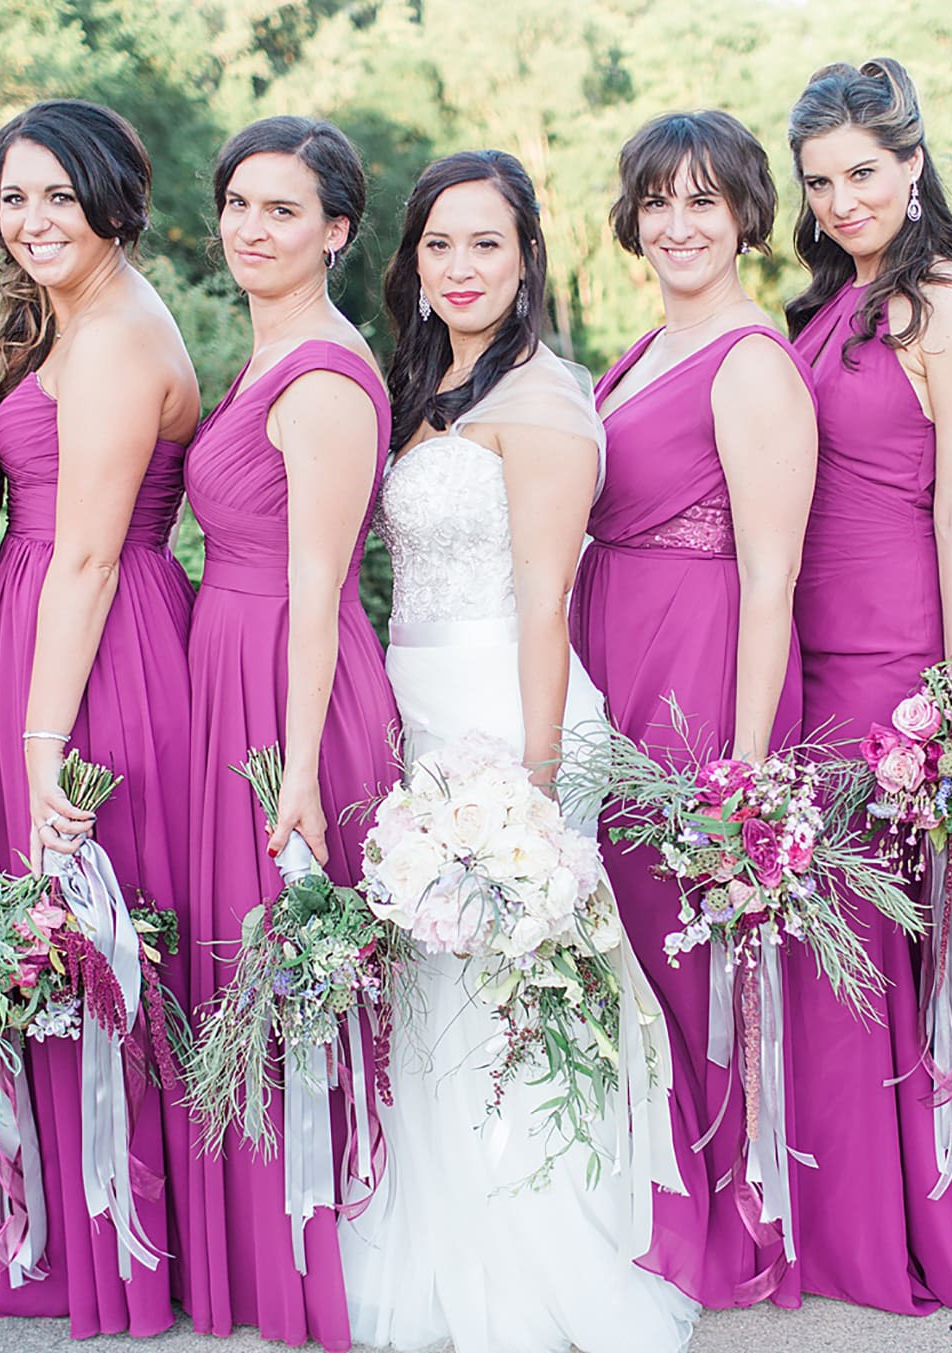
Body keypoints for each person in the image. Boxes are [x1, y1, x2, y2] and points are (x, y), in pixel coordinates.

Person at [339, 148, 698, 1353]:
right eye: (437, 243)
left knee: (503, 986)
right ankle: (439, 1225)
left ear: (528, 257)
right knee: (433, 979)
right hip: (420, 706)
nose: (458, 266)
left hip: (510, 714)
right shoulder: (428, 382)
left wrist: (537, 795)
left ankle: (528, 1254)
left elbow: (545, 606)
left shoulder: (541, 400)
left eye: (484, 242)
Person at [569, 110, 818, 1310]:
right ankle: (639, 1191)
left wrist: (747, 768)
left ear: (745, 218)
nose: (677, 224)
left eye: (703, 202)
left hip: (698, 667)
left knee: (688, 939)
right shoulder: (636, 353)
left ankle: (722, 1216)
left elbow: (773, 575)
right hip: (611, 653)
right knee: (621, 934)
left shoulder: (751, 362)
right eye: (657, 201)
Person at [781, 59, 952, 1315]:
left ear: (912, 164)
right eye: (820, 183)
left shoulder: (946, 309)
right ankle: (830, 1202)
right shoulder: (826, 304)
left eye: (862, 173)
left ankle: (894, 1219)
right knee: (825, 931)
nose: (841, 200)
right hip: (803, 649)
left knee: (885, 931)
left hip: (889, 658)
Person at [171, 115, 397, 1351]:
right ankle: (254, 1254)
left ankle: (313, 1259)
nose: (254, 229)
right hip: (231, 666)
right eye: (241, 205)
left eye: (285, 211)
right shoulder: (268, 355)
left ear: (337, 232)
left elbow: (322, 590)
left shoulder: (319, 377)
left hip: (288, 686)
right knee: (240, 965)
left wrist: (299, 769)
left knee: (291, 964)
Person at [0, 98, 201, 1337]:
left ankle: (130, 1256)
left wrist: (36, 741)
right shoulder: (75, 318)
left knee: (98, 930)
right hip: (54, 648)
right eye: (14, 197)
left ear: (112, 196)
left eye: (58, 194)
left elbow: (90, 561)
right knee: (65, 938)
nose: (32, 219)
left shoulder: (118, 335)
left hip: (96, 663)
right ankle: (70, 1229)